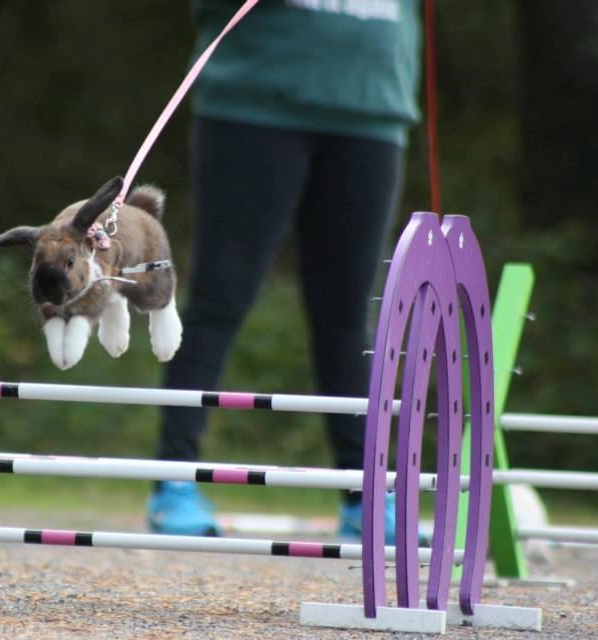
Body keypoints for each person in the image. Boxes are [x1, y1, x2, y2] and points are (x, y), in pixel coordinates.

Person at [147, 0, 423, 541]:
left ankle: (366, 498)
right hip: (254, 108)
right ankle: (172, 483)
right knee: (220, 297)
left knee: (348, 316)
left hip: (372, 112)